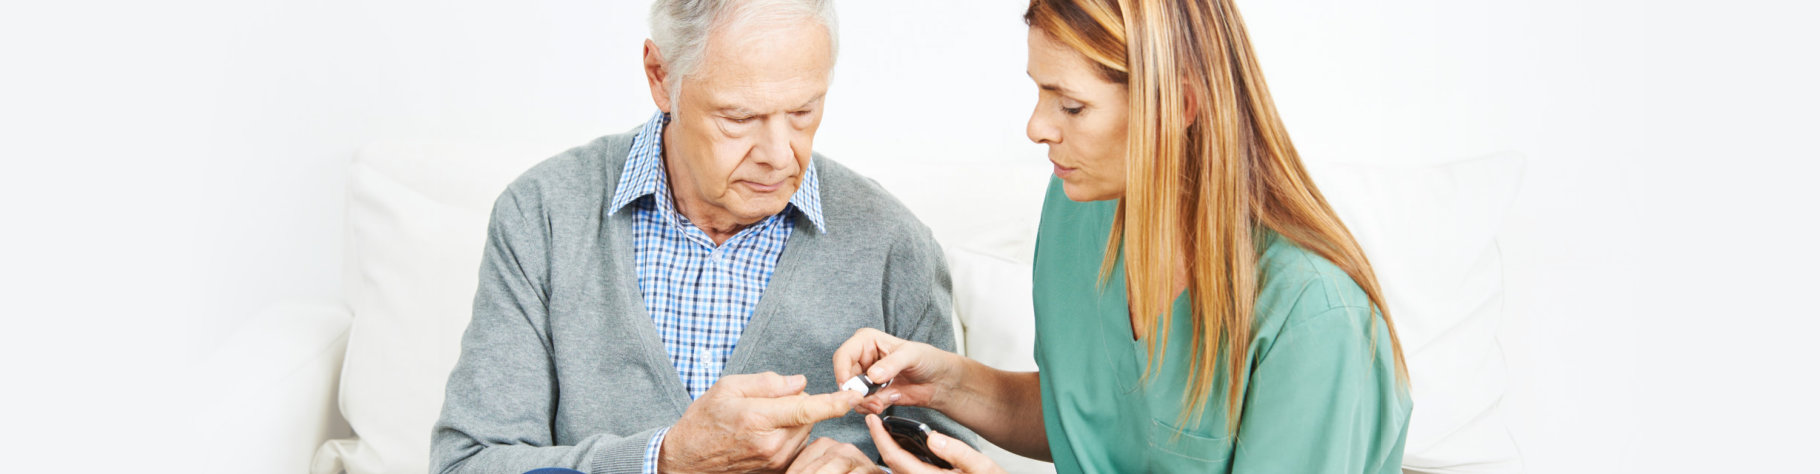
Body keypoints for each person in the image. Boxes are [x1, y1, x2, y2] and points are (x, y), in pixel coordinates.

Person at [836, 0, 1414, 472]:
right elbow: (1096, 419)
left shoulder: (1314, 318)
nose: (1037, 127)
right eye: (1039, 93)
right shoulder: (1076, 209)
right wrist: (947, 384)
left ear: (1180, 104)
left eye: (1072, 105)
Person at [430, 1, 970, 473]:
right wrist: (663, 461)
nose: (779, 155)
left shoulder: (896, 246)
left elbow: (952, 461)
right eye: (739, 117)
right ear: (661, 76)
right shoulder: (544, 215)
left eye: (804, 111)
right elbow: (467, 463)